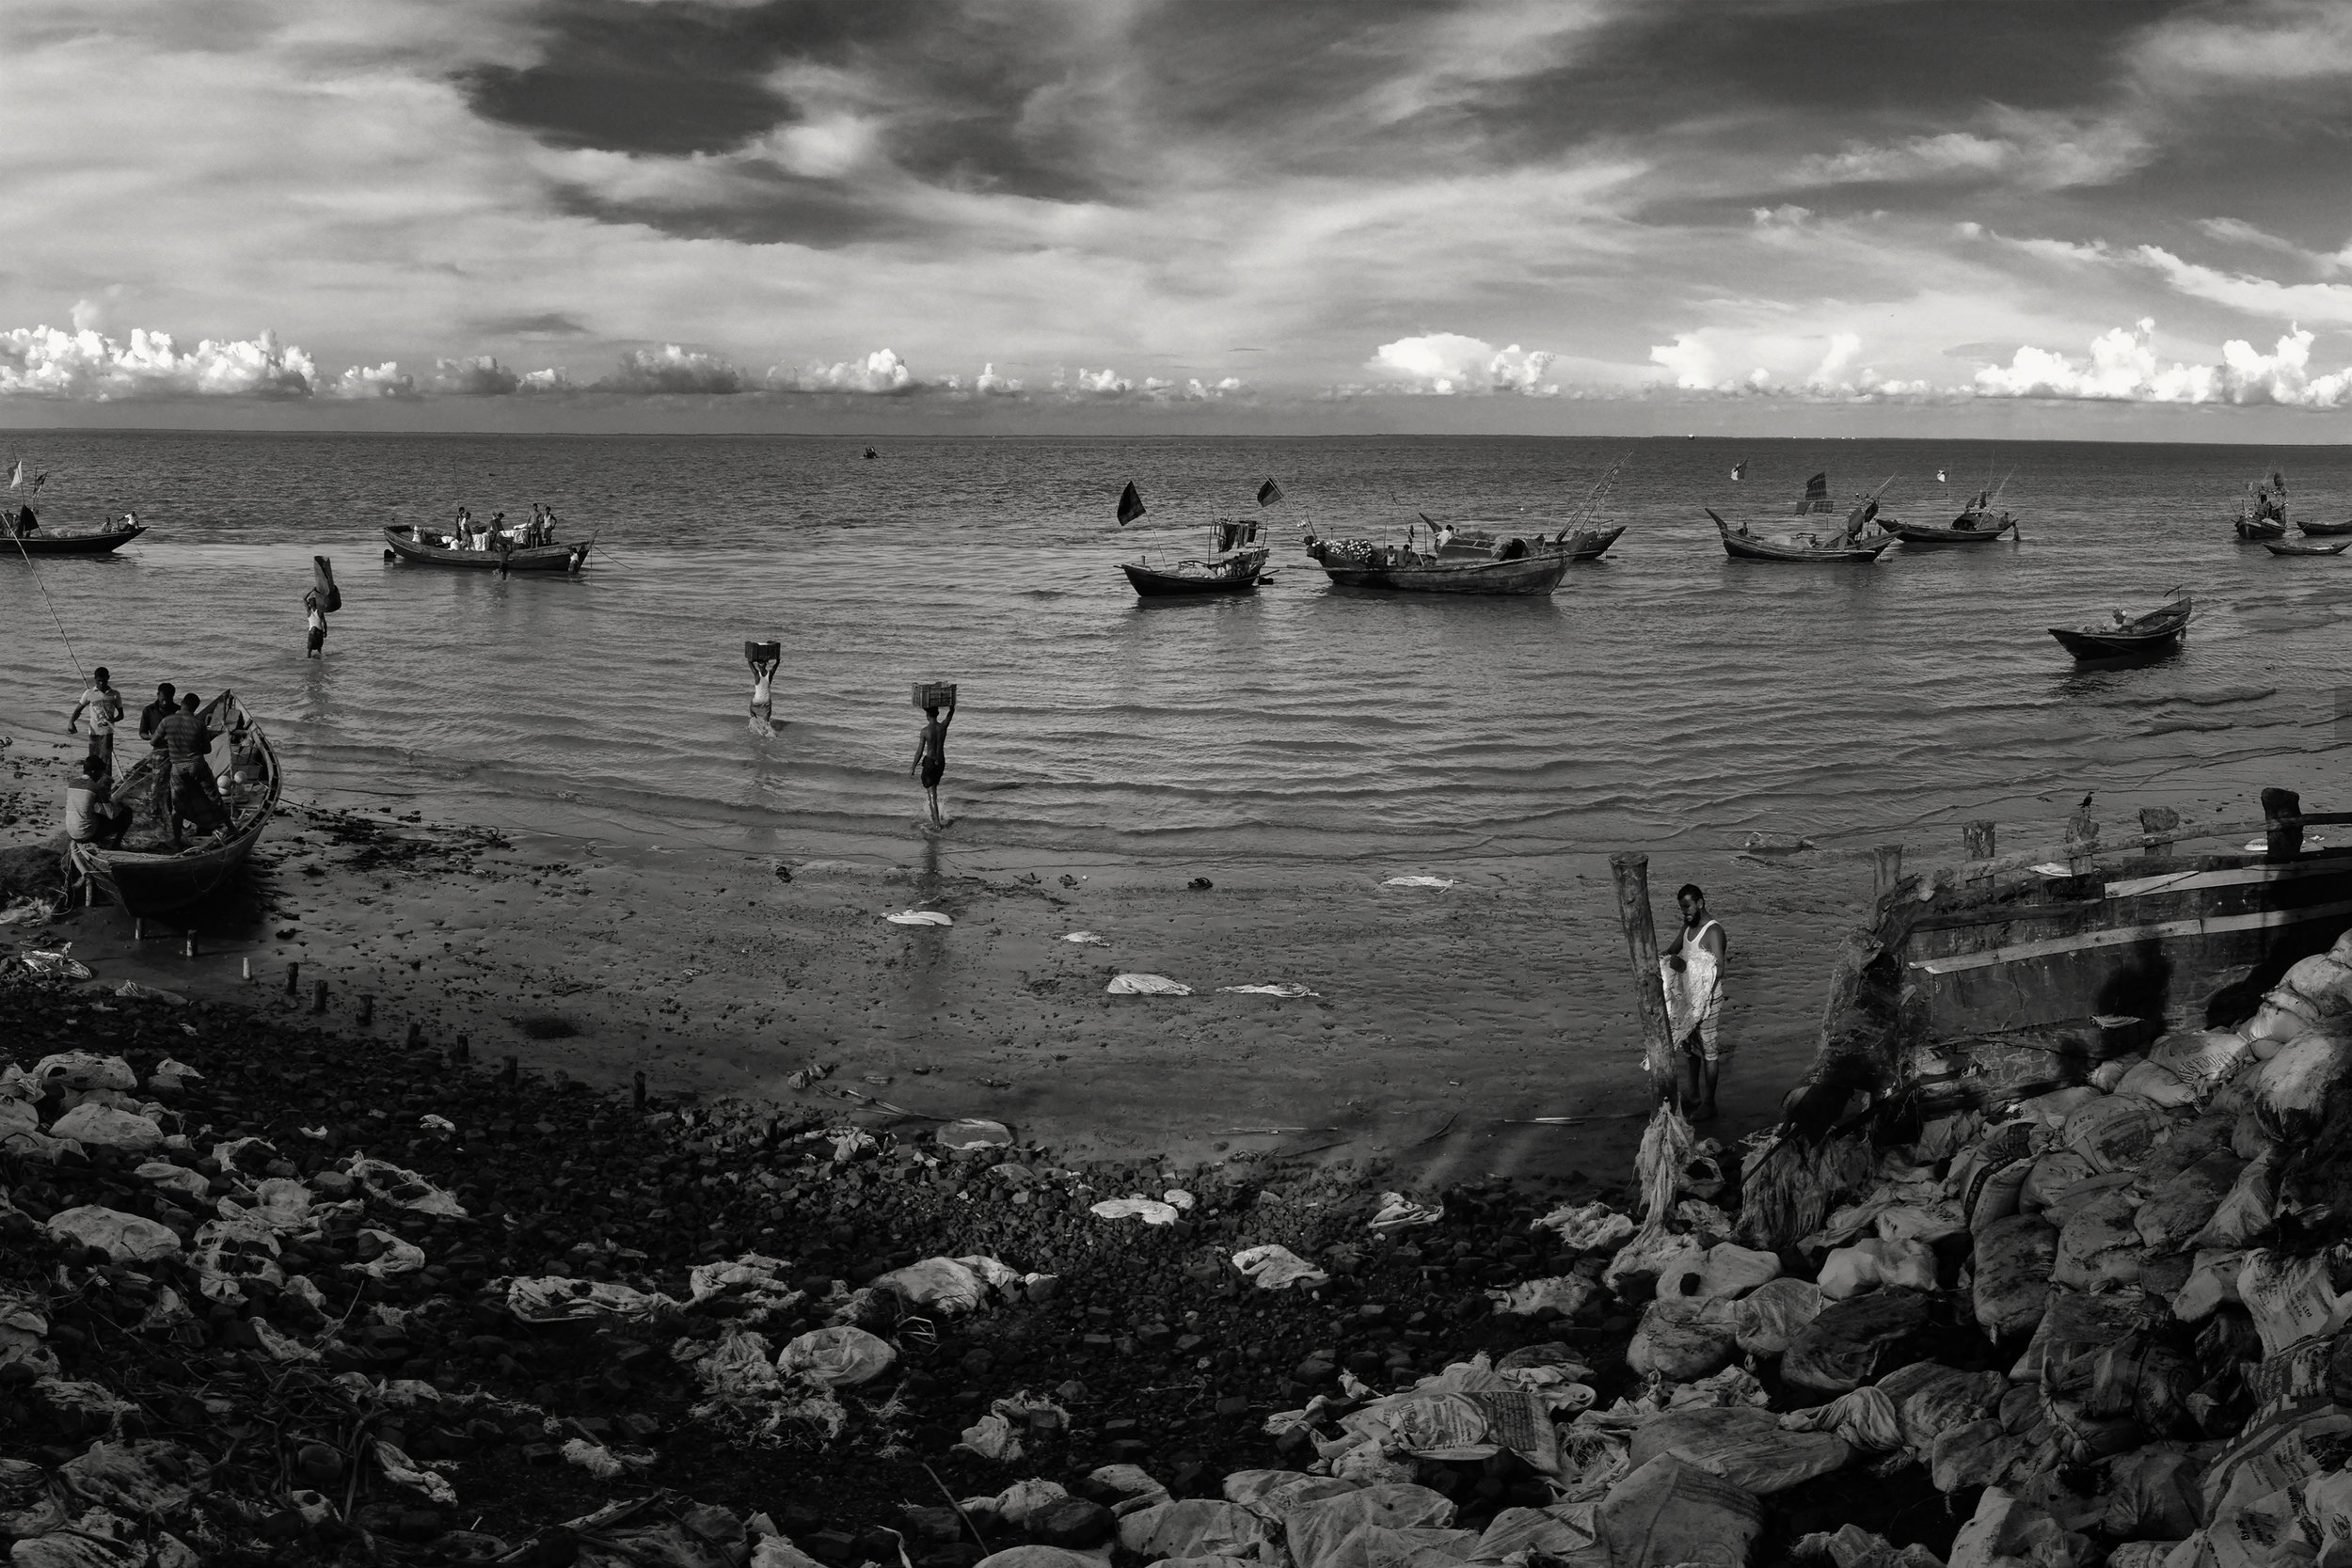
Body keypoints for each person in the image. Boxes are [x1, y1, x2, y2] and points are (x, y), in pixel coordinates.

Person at [1659, 883, 1729, 1120]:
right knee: (1690, 1050)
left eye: (1687, 907)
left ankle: (1710, 1104)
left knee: (1709, 1050)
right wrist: (1660, 959)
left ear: (1700, 903)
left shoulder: (1713, 931)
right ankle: (1694, 1095)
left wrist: (1685, 967)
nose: (1685, 912)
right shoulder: (1688, 927)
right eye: (1681, 908)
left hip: (1708, 999)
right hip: (1688, 998)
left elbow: (1719, 970)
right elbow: (1673, 949)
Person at [151, 692, 222, 848]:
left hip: (178, 767)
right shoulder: (198, 723)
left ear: (181, 703)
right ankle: (228, 827)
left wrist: (170, 739)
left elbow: (153, 741)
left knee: (178, 805)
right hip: (197, 765)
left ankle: (177, 841)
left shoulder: (167, 721)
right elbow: (207, 749)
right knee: (213, 795)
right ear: (195, 708)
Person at [65, 754, 131, 850]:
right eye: (100, 773)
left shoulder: (72, 783)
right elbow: (111, 814)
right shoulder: (96, 788)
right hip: (87, 834)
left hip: (71, 832)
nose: (100, 777)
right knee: (127, 813)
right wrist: (120, 806)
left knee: (92, 815)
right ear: (93, 772)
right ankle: (116, 845)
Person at [911, 690, 956, 828]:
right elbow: (950, 714)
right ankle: (935, 816)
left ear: (927, 715)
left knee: (932, 795)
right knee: (934, 790)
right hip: (941, 763)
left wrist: (913, 767)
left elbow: (919, 752)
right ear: (937, 714)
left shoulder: (925, 731)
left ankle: (937, 824)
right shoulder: (943, 727)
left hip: (930, 762)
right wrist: (951, 705)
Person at [67, 667, 123, 771]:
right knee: (93, 760)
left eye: (104, 680)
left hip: (107, 733)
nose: (101, 683)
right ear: (95, 679)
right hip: (93, 733)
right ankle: (92, 782)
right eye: (99, 681)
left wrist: (113, 720)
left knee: (106, 761)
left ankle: (105, 784)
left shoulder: (115, 694)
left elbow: (121, 715)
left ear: (108, 678)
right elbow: (78, 710)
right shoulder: (89, 693)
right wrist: (71, 722)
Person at [748, 648, 779, 736]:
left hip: (757, 701)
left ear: (758, 666)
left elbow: (749, 662)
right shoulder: (770, 675)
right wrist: (777, 660)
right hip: (767, 701)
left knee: (751, 707)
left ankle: (754, 719)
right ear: (765, 665)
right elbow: (776, 665)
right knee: (766, 721)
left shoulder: (756, 674)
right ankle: (768, 731)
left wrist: (754, 658)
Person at [303, 588, 327, 658]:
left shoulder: (309, 611)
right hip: (319, 633)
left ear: (310, 604)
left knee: (309, 652)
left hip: (312, 633)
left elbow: (304, 598)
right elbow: (324, 624)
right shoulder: (320, 611)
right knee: (319, 651)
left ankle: (308, 664)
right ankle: (319, 665)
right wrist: (325, 632)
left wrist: (312, 590)